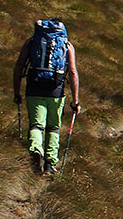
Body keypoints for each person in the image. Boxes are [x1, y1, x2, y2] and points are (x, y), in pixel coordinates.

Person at [13, 18, 80, 175]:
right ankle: (50, 164)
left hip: (34, 87)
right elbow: (73, 72)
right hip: (56, 90)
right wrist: (75, 100)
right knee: (53, 127)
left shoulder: (32, 42)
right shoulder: (66, 45)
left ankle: (36, 149)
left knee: (36, 125)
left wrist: (17, 92)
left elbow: (19, 67)